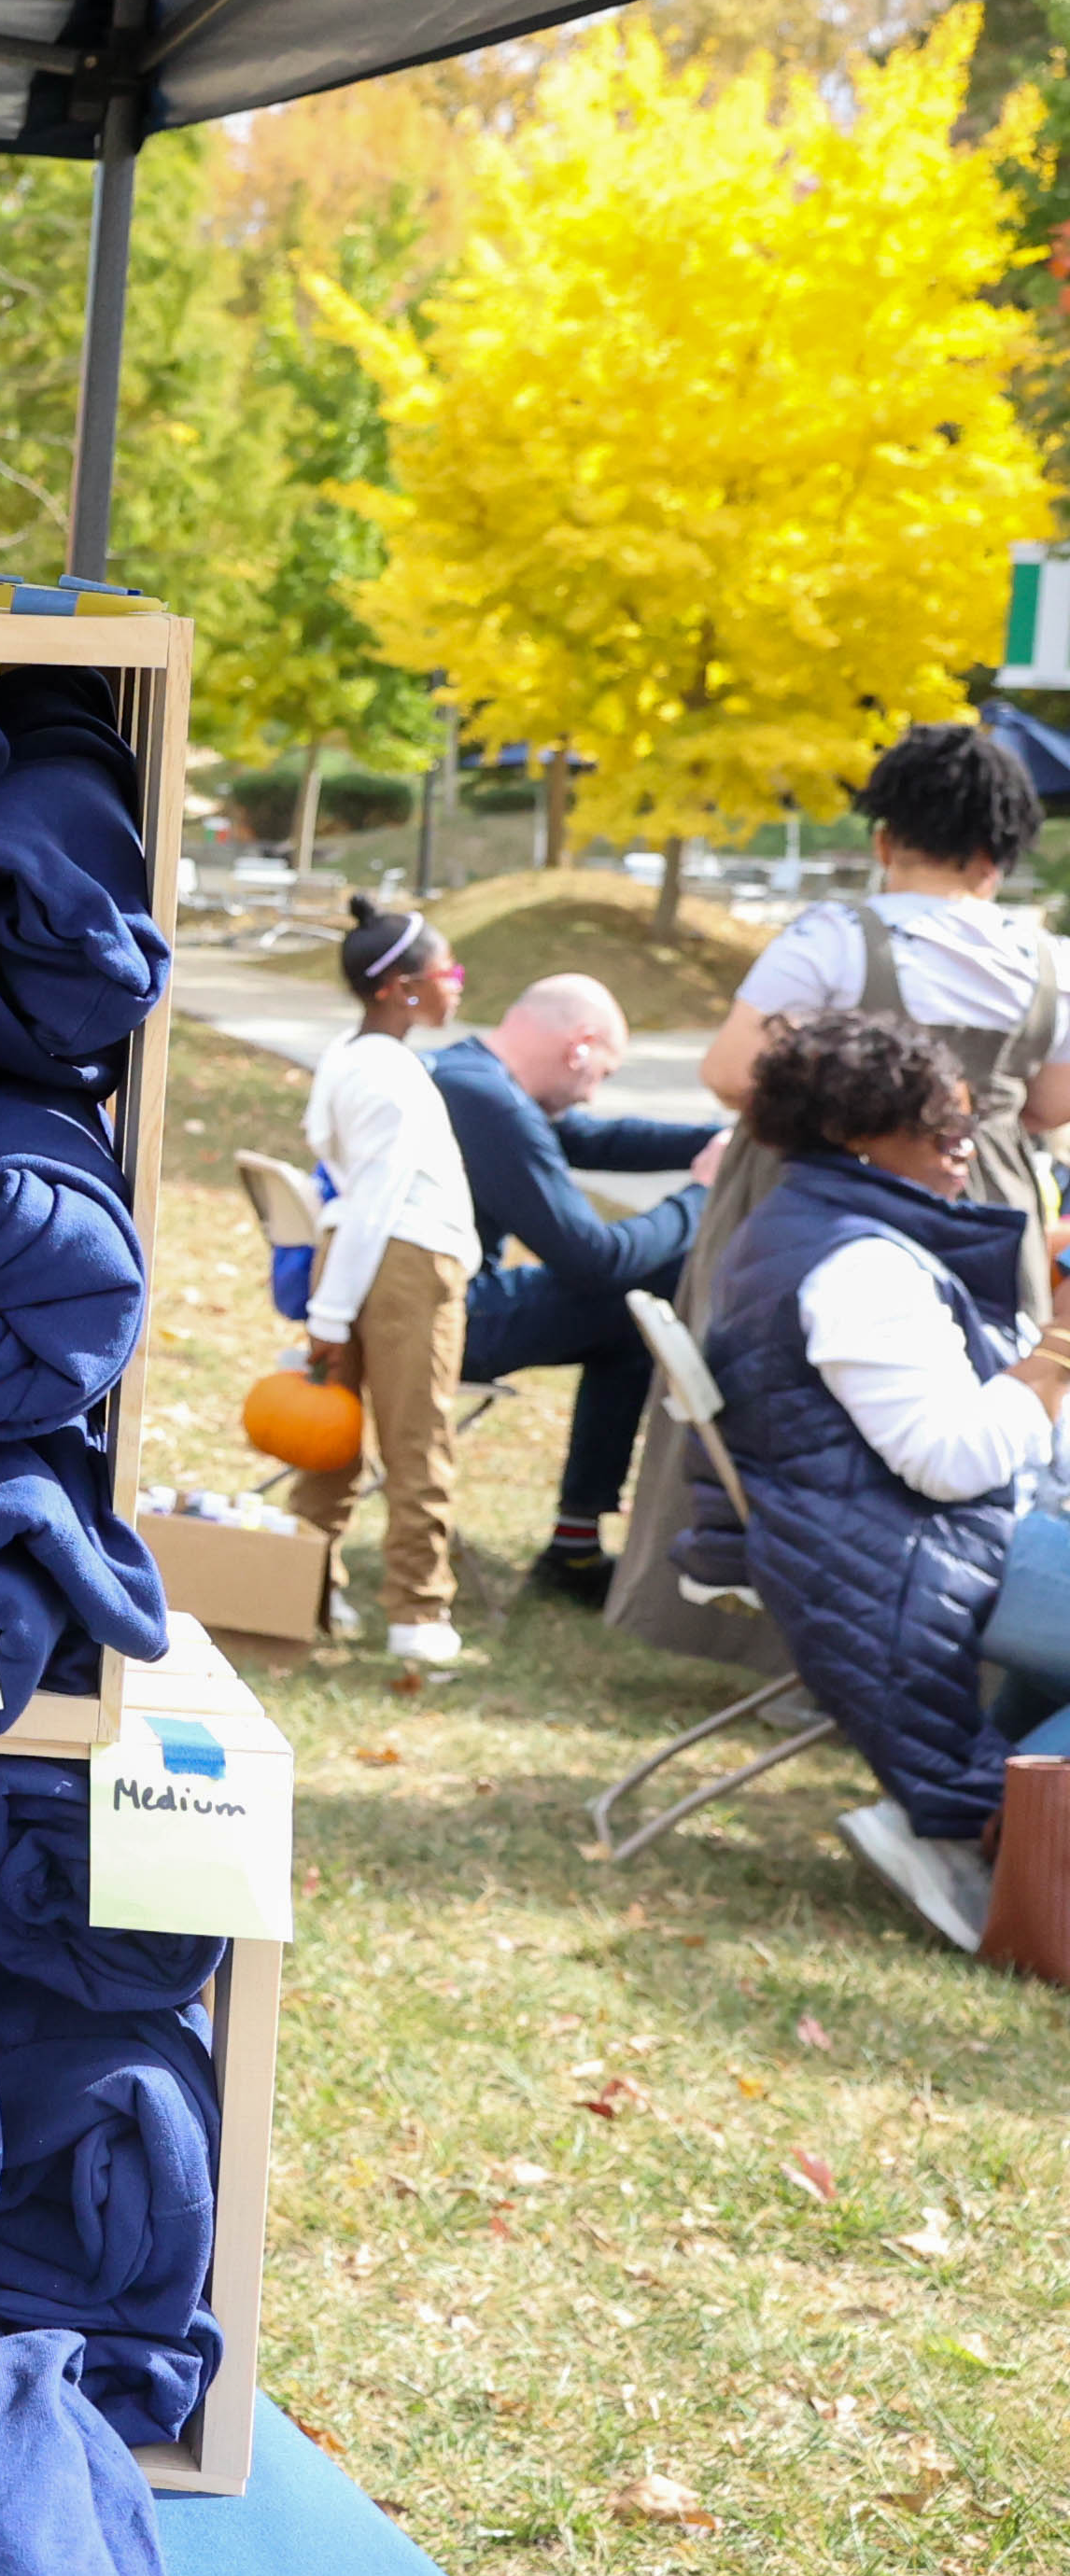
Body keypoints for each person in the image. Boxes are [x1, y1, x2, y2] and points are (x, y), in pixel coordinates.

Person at [627, 721, 1070, 1659]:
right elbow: (1049, 1107)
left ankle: (746, 1620)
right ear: (1000, 851)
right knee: (974, 1396)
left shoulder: (834, 937)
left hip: (820, 1184)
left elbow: (731, 1068)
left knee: (774, 1393)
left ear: (883, 838)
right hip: (981, 1196)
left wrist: (856, 1118)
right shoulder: (1045, 961)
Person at [698, 1010, 1069, 1952]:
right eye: (944, 1133)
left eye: (969, 1128)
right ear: (856, 1135)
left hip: (910, 1542)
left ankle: (1005, 1813)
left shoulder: (825, 1230)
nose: (966, 1150)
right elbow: (948, 1462)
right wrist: (1059, 1351)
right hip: (911, 1554)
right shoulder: (857, 1265)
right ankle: (1000, 1832)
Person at [432, 973, 717, 1603]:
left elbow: (593, 1140)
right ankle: (576, 1548)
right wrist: (700, 1194)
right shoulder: (488, 1102)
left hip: (424, 1310)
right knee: (645, 1287)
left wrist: (727, 1140)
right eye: (603, 1074)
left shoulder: (470, 1076)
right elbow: (592, 1259)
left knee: (627, 1320)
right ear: (580, 1046)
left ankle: (576, 1544)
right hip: (445, 1324)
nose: (592, 1095)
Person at [295, 898, 479, 1664]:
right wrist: (332, 1316)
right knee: (417, 1441)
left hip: (358, 1255)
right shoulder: (392, 1078)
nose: (458, 985)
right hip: (402, 1263)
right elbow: (374, 1197)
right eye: (449, 972)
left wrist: (332, 1307)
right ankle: (418, 1614)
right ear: (399, 987)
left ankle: (302, 1592)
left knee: (329, 1440)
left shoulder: (348, 1055)